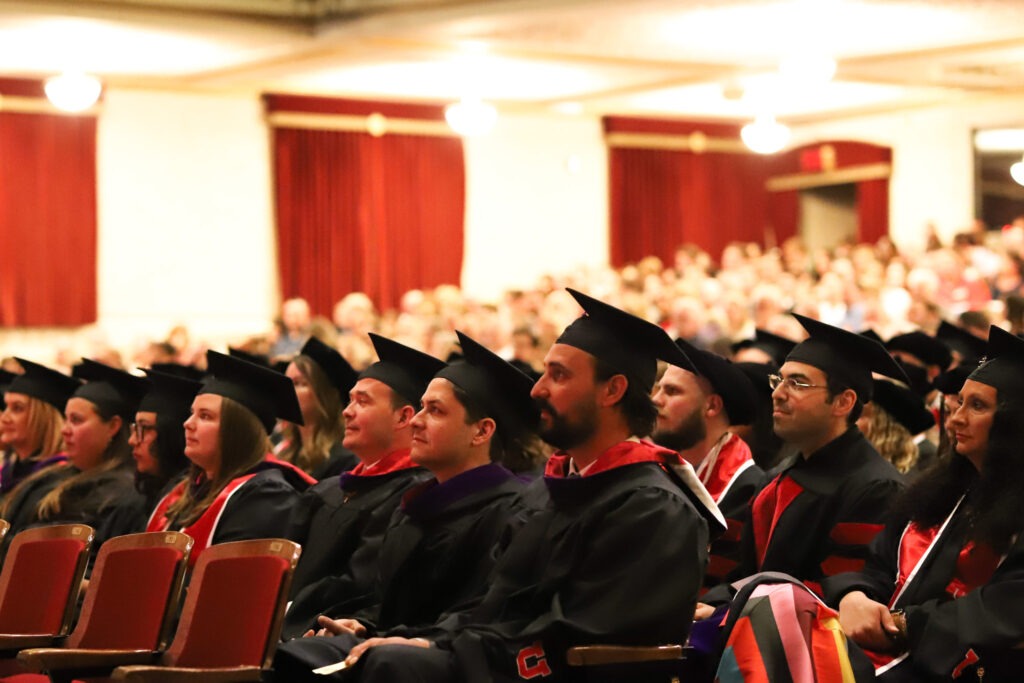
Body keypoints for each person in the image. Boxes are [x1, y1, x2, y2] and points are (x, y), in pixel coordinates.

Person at [290, 289, 720, 683]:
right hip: (494, 658)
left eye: (559, 375)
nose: (538, 389)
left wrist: (442, 651)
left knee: (386, 666)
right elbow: (492, 607)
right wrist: (418, 638)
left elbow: (579, 639)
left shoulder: (651, 508)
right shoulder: (549, 494)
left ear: (613, 390)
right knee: (331, 657)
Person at [274, 330, 536, 668]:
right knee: (286, 657)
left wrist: (412, 639)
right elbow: (386, 603)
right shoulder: (416, 505)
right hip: (391, 643)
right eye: (421, 408)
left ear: (482, 431)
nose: (415, 420)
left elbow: (481, 612)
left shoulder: (509, 511)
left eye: (435, 411)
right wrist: (362, 624)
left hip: (446, 656)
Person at [826, 326, 1024, 681]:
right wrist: (855, 595)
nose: (956, 417)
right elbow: (880, 565)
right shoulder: (943, 491)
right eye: (959, 402)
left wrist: (902, 624)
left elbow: (1006, 609)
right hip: (890, 654)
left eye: (977, 406)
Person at [701, 314, 907, 608]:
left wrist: (737, 606)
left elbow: (841, 592)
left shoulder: (876, 489)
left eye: (797, 383)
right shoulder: (776, 477)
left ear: (843, 402)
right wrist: (719, 602)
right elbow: (748, 573)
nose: (778, 394)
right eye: (779, 380)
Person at [282, 334, 442, 632]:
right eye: (350, 399)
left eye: (362, 402)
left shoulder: (414, 494)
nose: (347, 410)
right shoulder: (329, 489)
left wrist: (286, 611)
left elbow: (361, 586)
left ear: (404, 417)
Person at [146, 350, 313, 564]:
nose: (188, 423)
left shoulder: (267, 497)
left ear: (238, 430)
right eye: (192, 413)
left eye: (205, 416)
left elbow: (228, 582)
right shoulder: (189, 488)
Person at [651, 341, 762, 588]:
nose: (656, 400)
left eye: (672, 392)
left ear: (711, 406)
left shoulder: (751, 493)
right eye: (658, 389)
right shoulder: (648, 472)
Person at [7, 360, 149, 550]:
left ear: (113, 426)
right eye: (66, 419)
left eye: (76, 420)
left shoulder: (119, 494)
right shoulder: (53, 476)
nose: (65, 430)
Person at [277, 336, 360, 479]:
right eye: (286, 382)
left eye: (299, 384)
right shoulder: (288, 453)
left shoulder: (344, 461)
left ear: (324, 395)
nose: (288, 390)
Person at [0, 359, 78, 501]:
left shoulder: (58, 478)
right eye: (6, 407)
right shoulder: (9, 470)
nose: (4, 417)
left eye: (17, 408)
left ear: (44, 418)